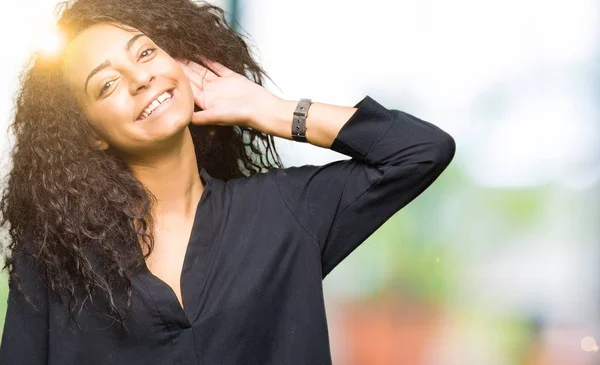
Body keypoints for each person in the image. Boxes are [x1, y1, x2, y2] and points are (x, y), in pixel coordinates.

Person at [0, 0, 455, 364]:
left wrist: (269, 109)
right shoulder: (53, 259)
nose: (140, 78)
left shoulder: (284, 210)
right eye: (107, 85)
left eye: (145, 53)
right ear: (92, 135)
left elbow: (418, 152)